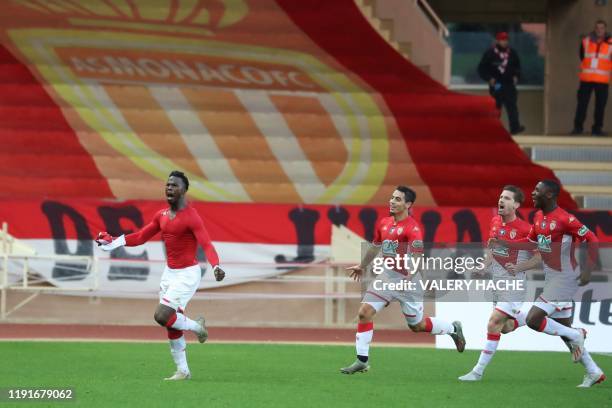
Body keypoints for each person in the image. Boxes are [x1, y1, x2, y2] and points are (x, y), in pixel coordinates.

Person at [95, 170, 226, 381]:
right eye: (167, 185)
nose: (169, 188)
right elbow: (140, 237)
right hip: (170, 273)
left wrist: (216, 265)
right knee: (170, 323)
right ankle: (183, 371)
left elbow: (207, 244)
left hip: (187, 274)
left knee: (162, 315)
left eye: (174, 185)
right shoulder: (162, 215)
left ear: (184, 190)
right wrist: (114, 242)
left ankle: (196, 327)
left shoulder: (191, 217)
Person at [340, 186, 466, 374]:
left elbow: (417, 256)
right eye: (392, 198)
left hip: (409, 281)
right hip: (388, 276)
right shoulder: (384, 223)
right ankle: (362, 360)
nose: (392, 201)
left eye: (397, 199)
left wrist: (414, 277)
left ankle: (452, 329)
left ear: (408, 204)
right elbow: (375, 246)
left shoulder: (412, 228)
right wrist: (362, 265)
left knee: (417, 326)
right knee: (364, 312)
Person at [505, 180, 605, 387]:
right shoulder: (539, 217)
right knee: (562, 329)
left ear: (549, 195)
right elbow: (530, 242)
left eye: (537, 191)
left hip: (565, 277)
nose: (532, 193)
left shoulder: (565, 219)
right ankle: (593, 371)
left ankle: (577, 334)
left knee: (534, 319)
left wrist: (588, 269)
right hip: (551, 278)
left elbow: (592, 238)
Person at [459, 185, 536, 381]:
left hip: (513, 284)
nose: (501, 200)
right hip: (497, 283)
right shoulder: (495, 222)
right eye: (501, 197)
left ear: (517, 205)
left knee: (493, 323)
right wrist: (483, 267)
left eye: (507, 198)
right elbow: (492, 250)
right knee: (506, 327)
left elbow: (540, 257)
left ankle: (477, 372)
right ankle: (540, 315)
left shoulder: (526, 229)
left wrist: (519, 268)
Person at [478, 32, 525, 135]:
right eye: (502, 40)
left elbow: (518, 67)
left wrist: (516, 75)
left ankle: (515, 128)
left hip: (509, 84)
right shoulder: (490, 53)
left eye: (506, 40)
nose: (504, 42)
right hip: (497, 84)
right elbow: (481, 69)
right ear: (497, 41)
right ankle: (493, 129)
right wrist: (489, 78)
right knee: (496, 106)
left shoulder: (512, 53)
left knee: (512, 106)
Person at [571, 20, 611, 136]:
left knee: (600, 106)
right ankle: (578, 128)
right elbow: (582, 57)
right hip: (586, 79)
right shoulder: (585, 41)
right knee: (582, 104)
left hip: (602, 80)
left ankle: (597, 129)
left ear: (605, 29)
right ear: (594, 29)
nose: (599, 30)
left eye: (602, 28)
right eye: (597, 28)